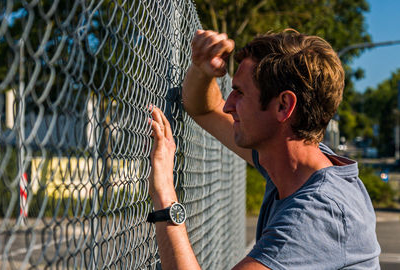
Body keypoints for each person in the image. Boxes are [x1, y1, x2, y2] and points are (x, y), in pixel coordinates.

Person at [146, 29, 380, 270]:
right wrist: (202, 68)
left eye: (240, 93)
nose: (228, 105)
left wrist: (164, 192)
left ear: (283, 106)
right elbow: (205, 108)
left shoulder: (318, 213)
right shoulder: (292, 163)